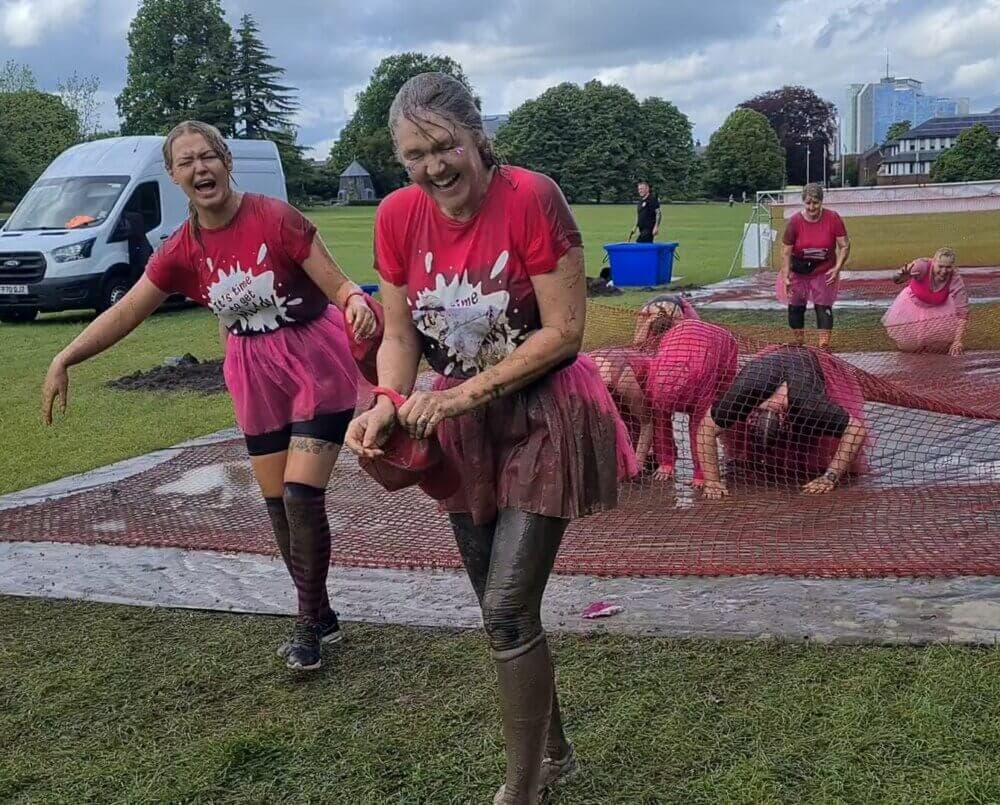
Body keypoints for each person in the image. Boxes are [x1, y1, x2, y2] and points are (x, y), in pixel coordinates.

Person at [344, 73, 636, 805]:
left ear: (476, 135)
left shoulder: (533, 197)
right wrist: (386, 400)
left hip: (544, 415)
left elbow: (567, 332)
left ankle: (522, 786)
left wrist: (457, 397)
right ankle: (556, 752)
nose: (433, 166)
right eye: (414, 154)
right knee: (501, 607)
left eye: (443, 146)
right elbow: (401, 334)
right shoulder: (395, 216)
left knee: (506, 606)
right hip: (462, 428)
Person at [40, 120, 376, 672]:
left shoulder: (274, 217)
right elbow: (127, 311)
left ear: (226, 161)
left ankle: (306, 624)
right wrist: (65, 356)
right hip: (253, 374)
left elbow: (336, 282)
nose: (201, 168)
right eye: (187, 162)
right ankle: (323, 612)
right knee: (276, 505)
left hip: (315, 362)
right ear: (173, 176)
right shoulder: (181, 250)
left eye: (209, 156)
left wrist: (354, 300)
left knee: (300, 494)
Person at [592, 295, 735, 483]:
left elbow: (695, 426)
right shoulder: (654, 377)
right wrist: (666, 462)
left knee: (720, 410)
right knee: (656, 415)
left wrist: (702, 476)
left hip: (714, 346)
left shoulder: (698, 374)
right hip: (668, 357)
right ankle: (660, 457)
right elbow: (656, 419)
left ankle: (734, 453)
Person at [695, 345, 868, 499]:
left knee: (813, 431)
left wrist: (829, 477)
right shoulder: (742, 395)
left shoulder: (809, 405)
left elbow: (856, 430)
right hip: (768, 366)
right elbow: (705, 430)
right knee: (723, 418)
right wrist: (712, 482)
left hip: (809, 364)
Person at [777, 183, 850, 351]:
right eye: (808, 203)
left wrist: (838, 267)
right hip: (798, 269)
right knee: (795, 306)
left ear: (821, 202)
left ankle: (824, 345)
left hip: (823, 269)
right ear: (803, 202)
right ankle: (799, 342)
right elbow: (785, 251)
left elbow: (844, 245)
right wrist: (786, 277)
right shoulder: (794, 222)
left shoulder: (833, 218)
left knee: (823, 306)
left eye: (815, 203)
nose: (812, 207)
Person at [882, 247, 969, 355]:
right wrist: (900, 277)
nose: (944, 271)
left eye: (948, 267)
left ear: (953, 266)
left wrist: (957, 341)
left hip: (939, 307)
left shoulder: (955, 279)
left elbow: (963, 313)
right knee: (909, 347)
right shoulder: (921, 266)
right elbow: (896, 279)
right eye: (940, 266)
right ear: (933, 262)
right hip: (912, 304)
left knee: (939, 347)